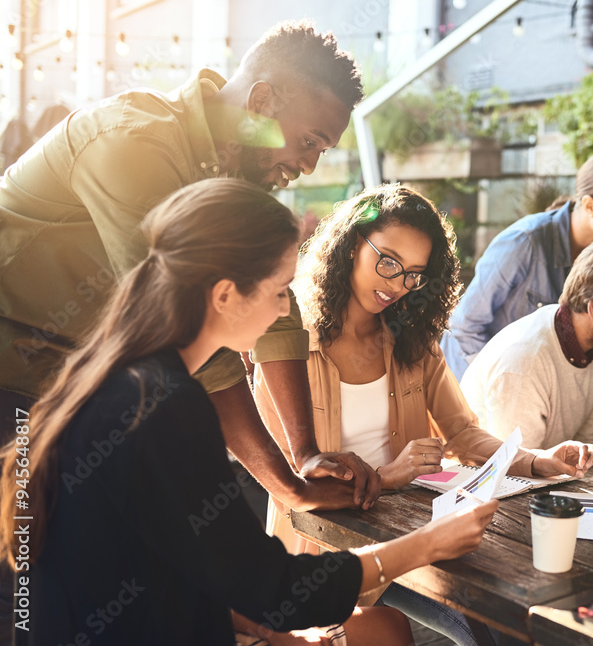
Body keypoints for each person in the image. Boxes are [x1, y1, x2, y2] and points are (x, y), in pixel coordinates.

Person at [0, 179, 498, 646]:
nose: (286, 311)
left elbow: (184, 564)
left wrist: (267, 628)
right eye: (280, 290)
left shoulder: (108, 376)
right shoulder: (169, 404)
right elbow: (275, 588)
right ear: (225, 295)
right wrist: (427, 544)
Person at [0, 19, 374, 516]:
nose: (309, 167)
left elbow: (273, 302)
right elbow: (185, 324)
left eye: (320, 151)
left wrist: (304, 454)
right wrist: (288, 488)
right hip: (15, 377)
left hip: (81, 387)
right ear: (260, 105)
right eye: (309, 142)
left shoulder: (238, 167)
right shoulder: (132, 144)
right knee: (24, 583)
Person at [253, 184, 593, 645]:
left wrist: (537, 461)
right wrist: (387, 475)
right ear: (352, 244)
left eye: (413, 274)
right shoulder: (288, 348)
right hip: (328, 550)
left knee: (500, 624)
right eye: (388, 262)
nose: (396, 285)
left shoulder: (412, 342)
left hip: (411, 532)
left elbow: (462, 433)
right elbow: (292, 478)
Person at [441, 149, 593, 381]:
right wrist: (494, 387)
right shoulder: (524, 242)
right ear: (589, 206)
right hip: (479, 392)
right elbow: (463, 326)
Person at [461, 236, 593, 449]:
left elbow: (589, 450)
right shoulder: (525, 361)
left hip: (546, 477)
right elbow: (515, 468)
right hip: (489, 478)